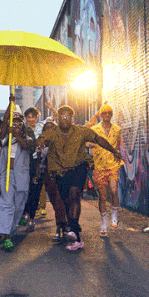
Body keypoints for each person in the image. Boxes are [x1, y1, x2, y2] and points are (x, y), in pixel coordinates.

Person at [36, 105, 122, 251]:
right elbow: (41, 139)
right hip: (61, 172)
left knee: (75, 194)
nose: (65, 119)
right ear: (59, 118)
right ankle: (76, 234)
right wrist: (40, 144)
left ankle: (74, 231)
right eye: (62, 116)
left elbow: (99, 139)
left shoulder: (81, 131)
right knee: (66, 201)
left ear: (72, 118)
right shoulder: (52, 132)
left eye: (68, 116)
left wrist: (114, 151)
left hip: (78, 168)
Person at [0, 104, 36, 250]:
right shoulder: (6, 139)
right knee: (7, 203)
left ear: (23, 126)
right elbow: (3, 128)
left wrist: (16, 134)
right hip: (7, 175)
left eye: (19, 124)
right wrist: (9, 106)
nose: (16, 126)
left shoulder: (28, 139)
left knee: (18, 206)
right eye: (14, 124)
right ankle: (5, 235)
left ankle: (11, 229)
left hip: (21, 176)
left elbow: (26, 146)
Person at [86, 103, 124, 236]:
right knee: (102, 196)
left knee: (113, 190)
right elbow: (86, 141)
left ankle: (114, 216)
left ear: (111, 115)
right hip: (99, 165)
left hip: (113, 164)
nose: (107, 115)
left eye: (109, 112)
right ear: (101, 115)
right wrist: (90, 145)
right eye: (104, 113)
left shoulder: (117, 129)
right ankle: (104, 223)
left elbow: (118, 145)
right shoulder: (94, 129)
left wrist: (117, 154)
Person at [23, 107, 46, 229]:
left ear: (37, 117)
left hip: (38, 162)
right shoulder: (22, 129)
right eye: (29, 117)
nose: (31, 119)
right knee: (24, 189)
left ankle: (32, 217)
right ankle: (25, 213)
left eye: (33, 117)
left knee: (35, 190)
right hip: (24, 162)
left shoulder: (41, 127)